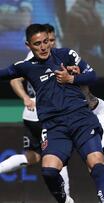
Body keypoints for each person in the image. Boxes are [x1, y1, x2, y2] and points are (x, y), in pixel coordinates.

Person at [0, 24, 104, 203]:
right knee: (49, 170)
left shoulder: (66, 55)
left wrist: (72, 79)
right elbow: (4, 74)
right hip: (54, 127)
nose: (43, 47)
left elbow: (92, 76)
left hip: (81, 118)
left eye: (46, 41)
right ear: (28, 45)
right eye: (37, 44)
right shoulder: (25, 67)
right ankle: (66, 201)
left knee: (97, 163)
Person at [0, 23, 71, 197]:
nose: (49, 45)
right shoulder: (41, 58)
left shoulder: (34, 56)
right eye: (48, 40)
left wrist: (26, 98)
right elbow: (14, 79)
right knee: (59, 155)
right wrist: (25, 97)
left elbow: (14, 78)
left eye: (51, 41)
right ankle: (66, 200)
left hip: (32, 116)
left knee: (33, 156)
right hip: (45, 115)